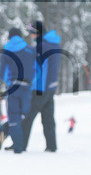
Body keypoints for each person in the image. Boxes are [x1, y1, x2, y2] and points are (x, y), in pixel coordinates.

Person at [20, 21, 62, 152]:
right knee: (48, 118)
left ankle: (20, 145)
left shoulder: (42, 46)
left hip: (41, 89)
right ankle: (51, 146)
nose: (31, 35)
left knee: (27, 116)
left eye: (32, 32)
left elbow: (39, 69)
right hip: (51, 87)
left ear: (37, 33)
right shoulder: (53, 44)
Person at [0, 27, 35, 153]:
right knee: (23, 115)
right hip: (27, 87)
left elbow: (2, 74)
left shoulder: (7, 51)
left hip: (13, 86)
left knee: (13, 118)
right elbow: (37, 69)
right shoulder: (30, 50)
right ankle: (17, 142)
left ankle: (17, 146)